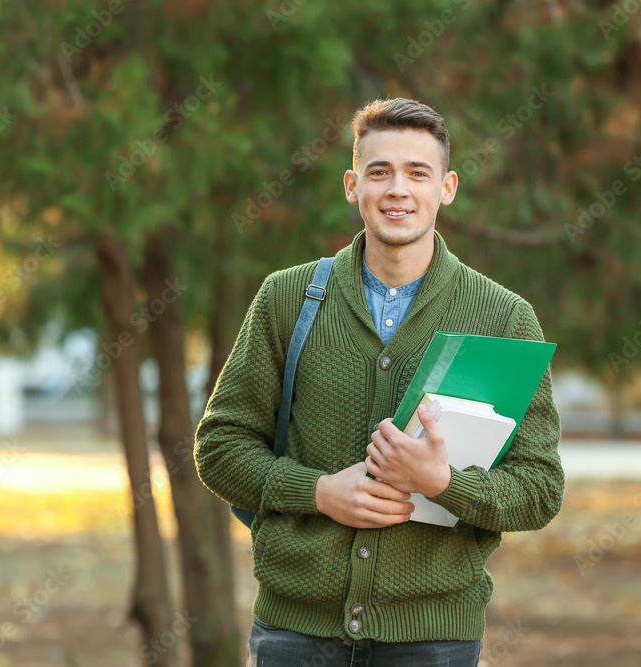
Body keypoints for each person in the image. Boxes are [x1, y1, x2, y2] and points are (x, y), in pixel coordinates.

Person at [193, 97, 564, 666]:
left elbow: (539, 489)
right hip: (295, 633)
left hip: (433, 639)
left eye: (418, 173)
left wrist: (443, 484)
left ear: (447, 188)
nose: (398, 189)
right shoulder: (286, 299)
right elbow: (218, 447)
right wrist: (319, 493)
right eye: (379, 171)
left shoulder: (503, 318)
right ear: (352, 185)